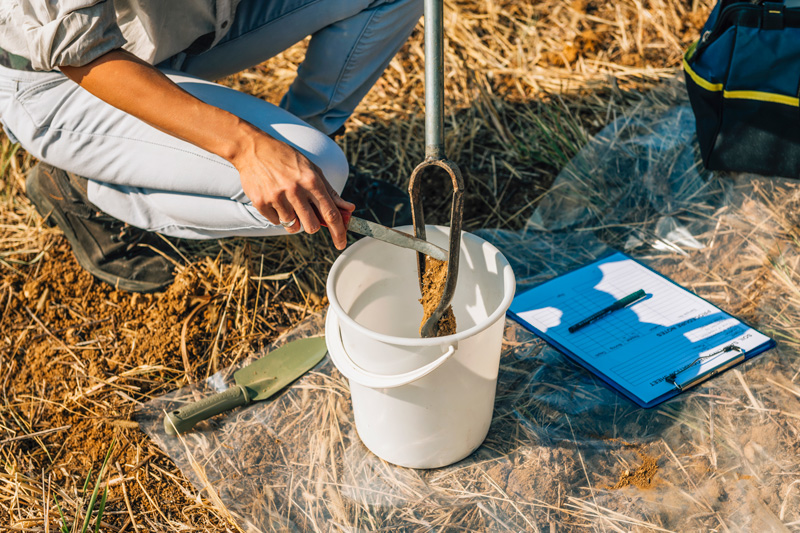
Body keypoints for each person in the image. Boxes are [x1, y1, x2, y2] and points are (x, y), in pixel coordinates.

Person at [0, 0, 422, 292]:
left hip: (183, 26)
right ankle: (82, 185)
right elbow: (78, 51)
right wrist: (244, 146)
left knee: (308, 170)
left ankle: (299, 166)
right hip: (67, 78)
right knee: (323, 166)